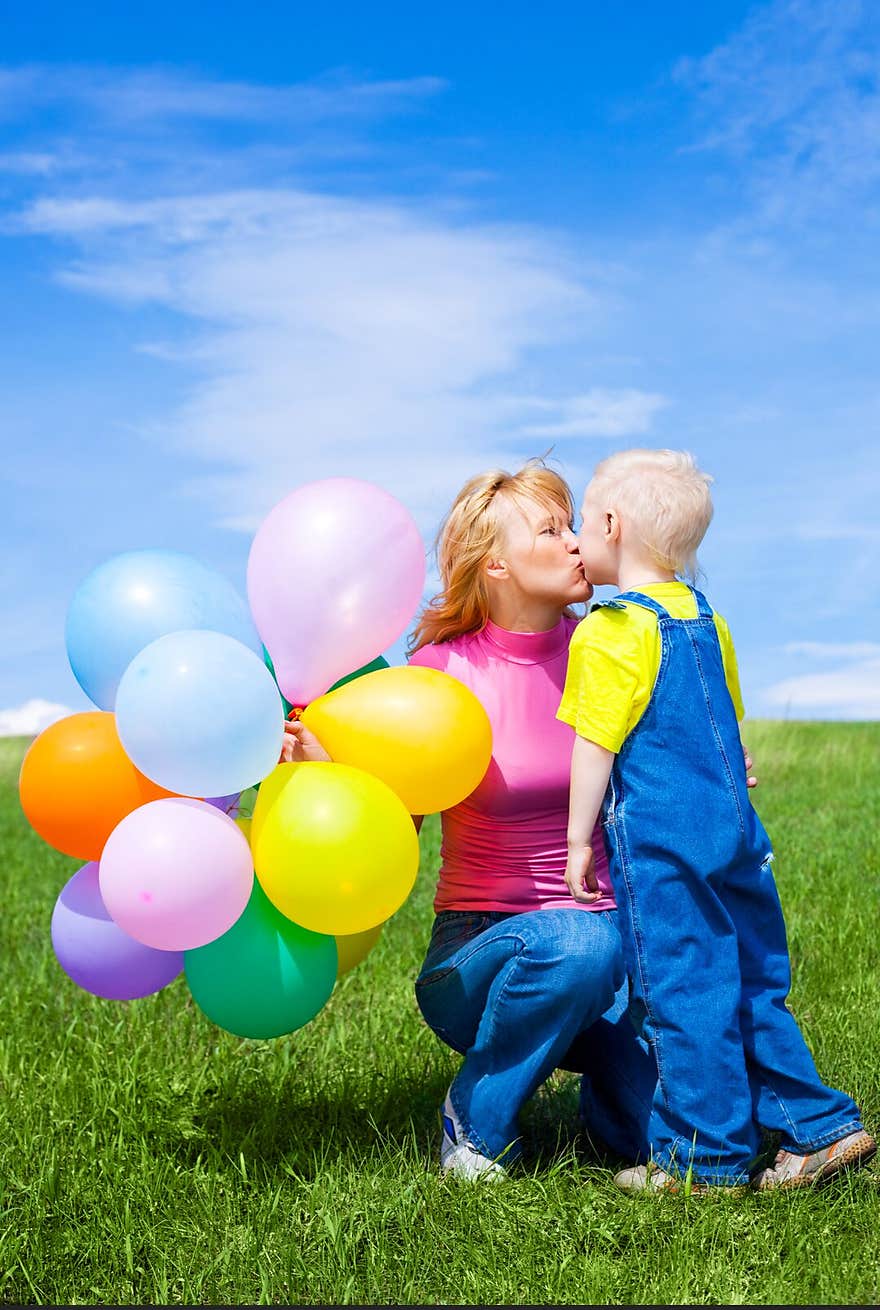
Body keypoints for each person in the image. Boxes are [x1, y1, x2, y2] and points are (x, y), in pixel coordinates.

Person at [284, 459, 663, 1179]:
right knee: (576, 947)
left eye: (572, 522)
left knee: (685, 1131)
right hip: (480, 952)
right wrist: (325, 769)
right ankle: (475, 1119)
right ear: (495, 564)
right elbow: (394, 824)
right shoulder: (441, 669)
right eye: (551, 529)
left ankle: (601, 1098)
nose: (577, 541)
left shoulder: (608, 648)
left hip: (617, 944)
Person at [559, 447, 876, 1193]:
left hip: (667, 847)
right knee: (752, 980)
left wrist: (578, 839)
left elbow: (595, 746)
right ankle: (819, 1126)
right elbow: (727, 730)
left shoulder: (608, 632)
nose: (577, 537)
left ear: (611, 524)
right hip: (736, 836)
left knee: (685, 987)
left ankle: (703, 1159)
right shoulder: (710, 622)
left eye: (582, 521)